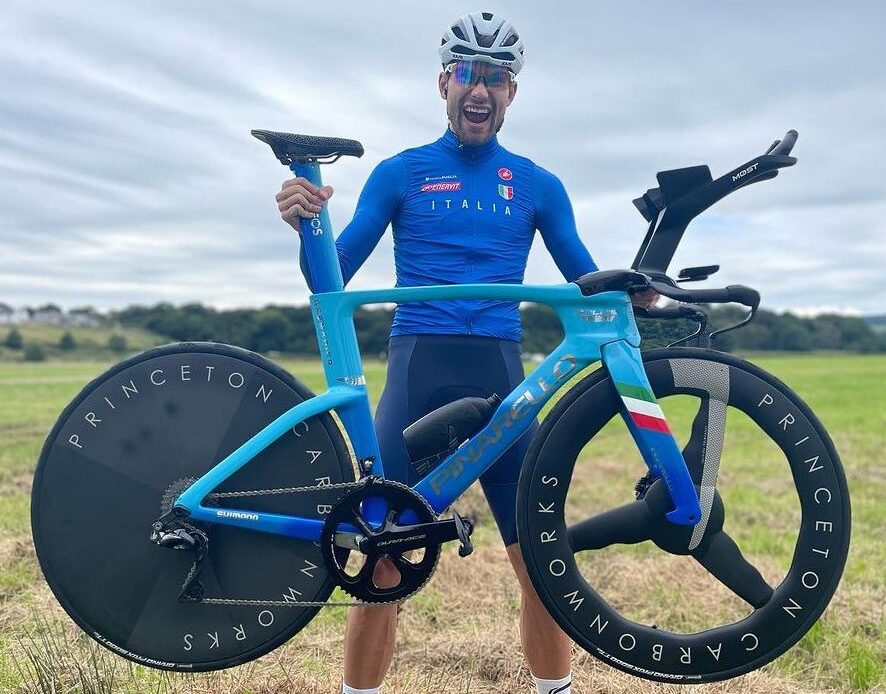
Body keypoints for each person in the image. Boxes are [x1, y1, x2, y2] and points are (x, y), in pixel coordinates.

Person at [276, 12, 655, 694]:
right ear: (443, 82)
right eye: (468, 74)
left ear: (513, 93)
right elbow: (330, 278)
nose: (480, 89)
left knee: (539, 565)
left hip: (503, 379)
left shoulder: (539, 185)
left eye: (497, 78)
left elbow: (584, 281)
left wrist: (637, 292)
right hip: (418, 370)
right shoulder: (400, 174)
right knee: (382, 566)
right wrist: (307, 222)